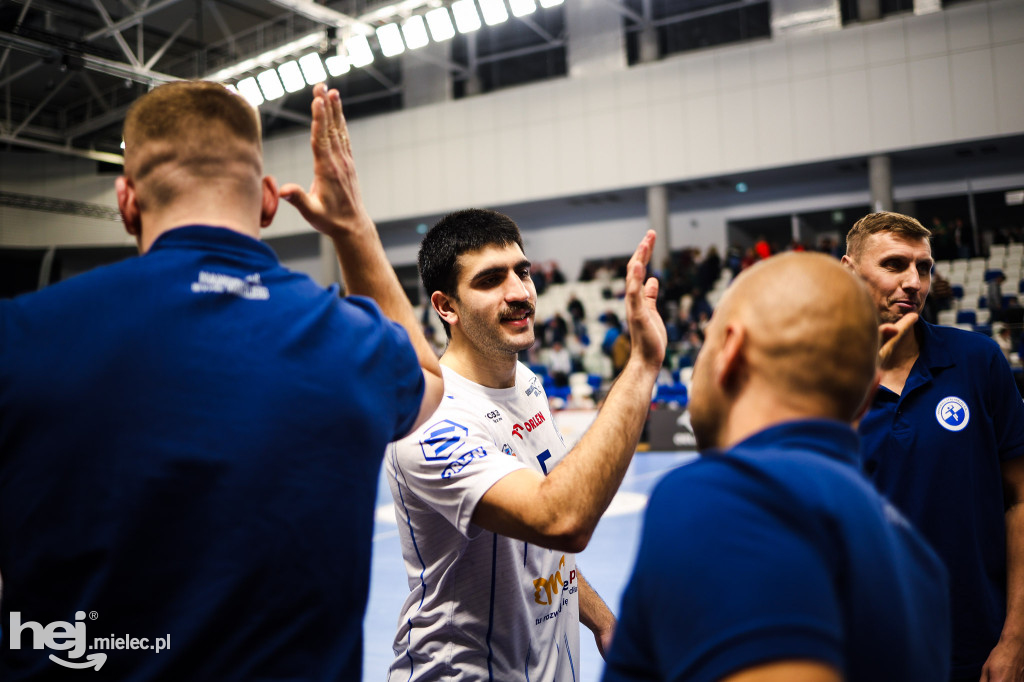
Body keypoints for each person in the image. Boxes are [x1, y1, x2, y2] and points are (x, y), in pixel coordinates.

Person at [0, 81, 443, 679]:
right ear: (268, 201)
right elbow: (427, 374)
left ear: (126, 201)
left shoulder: (19, 337)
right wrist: (350, 226)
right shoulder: (356, 345)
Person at [604, 252, 951, 682]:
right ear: (868, 396)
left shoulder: (733, 497)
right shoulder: (916, 558)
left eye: (708, 342)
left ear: (731, 352)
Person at [385, 211, 666, 681]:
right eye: (490, 279)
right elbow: (561, 521)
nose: (519, 292)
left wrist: (602, 621)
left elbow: (540, 555)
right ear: (446, 306)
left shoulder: (528, 383)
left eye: (523, 271)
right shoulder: (431, 420)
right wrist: (641, 365)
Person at [841, 211, 1024, 681]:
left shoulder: (978, 361)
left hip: (976, 650)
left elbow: (1021, 500)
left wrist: (1016, 638)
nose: (914, 283)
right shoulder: (818, 383)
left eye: (923, 268)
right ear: (848, 271)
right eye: (894, 265)